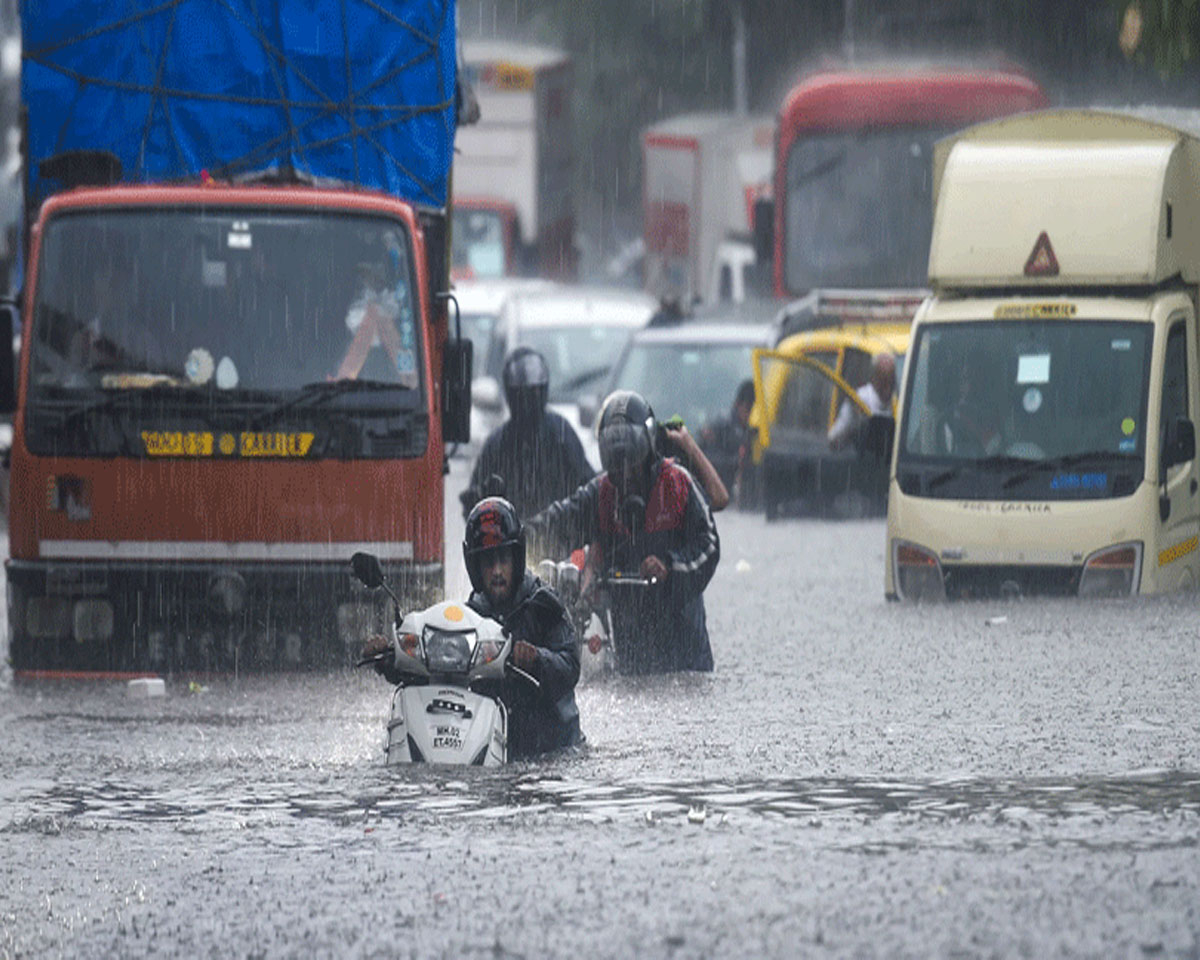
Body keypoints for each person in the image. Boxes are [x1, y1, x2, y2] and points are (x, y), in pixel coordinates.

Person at [363, 496, 582, 759]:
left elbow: (570, 666)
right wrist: (390, 658)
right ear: (474, 566)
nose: (497, 571)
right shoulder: (471, 617)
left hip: (552, 751)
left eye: (503, 560)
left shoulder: (544, 606)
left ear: (517, 557)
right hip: (493, 750)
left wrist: (536, 659)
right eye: (488, 562)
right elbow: (433, 675)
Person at [529, 390, 719, 674]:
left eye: (632, 462)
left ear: (650, 451)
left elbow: (709, 545)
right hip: (630, 655)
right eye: (617, 465)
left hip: (686, 656)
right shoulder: (601, 492)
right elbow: (559, 521)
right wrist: (518, 538)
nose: (626, 474)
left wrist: (669, 565)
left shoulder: (678, 484)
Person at [461, 347, 596, 520]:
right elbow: (474, 508)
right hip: (511, 540)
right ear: (511, 395)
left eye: (535, 394)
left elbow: (588, 487)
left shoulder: (561, 434)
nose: (528, 404)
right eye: (522, 396)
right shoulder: (497, 444)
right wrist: (481, 500)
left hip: (559, 537)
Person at [697, 379, 756, 504]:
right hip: (714, 496)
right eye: (748, 409)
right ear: (739, 404)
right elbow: (704, 460)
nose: (750, 415)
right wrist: (735, 461)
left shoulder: (751, 431)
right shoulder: (722, 426)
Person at [828, 352, 896, 448]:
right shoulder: (860, 399)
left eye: (891, 380)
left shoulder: (899, 401)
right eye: (884, 380)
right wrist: (857, 425)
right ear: (875, 378)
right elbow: (835, 437)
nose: (888, 388)